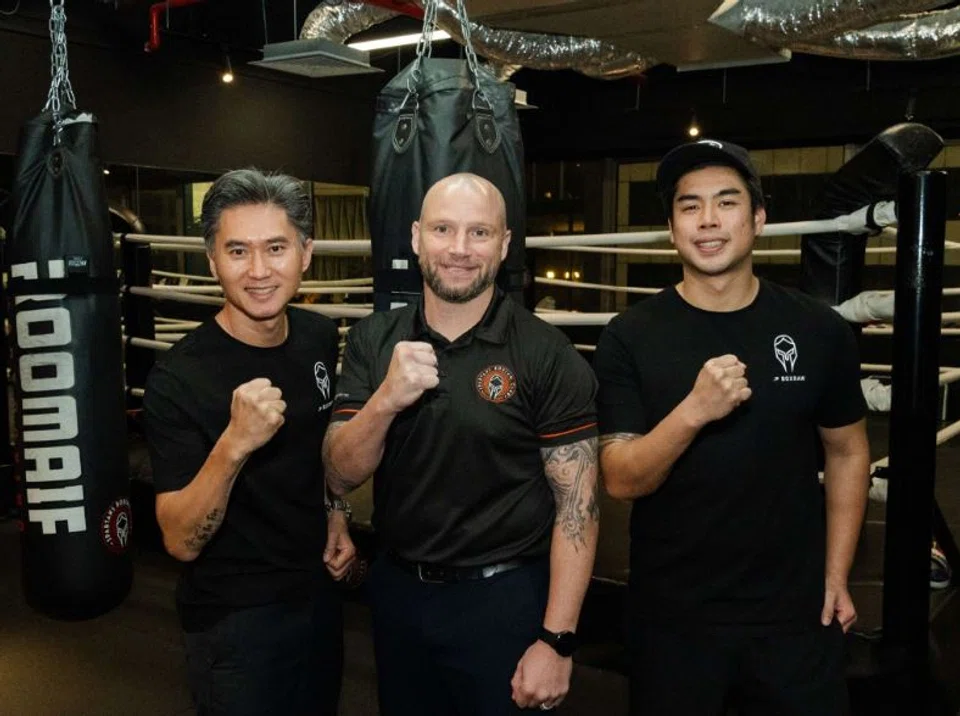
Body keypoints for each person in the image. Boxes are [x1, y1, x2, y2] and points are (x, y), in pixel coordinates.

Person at [593, 139, 870, 716]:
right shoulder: (630, 335)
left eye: (727, 202)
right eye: (689, 207)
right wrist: (693, 411)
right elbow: (620, 478)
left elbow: (847, 452)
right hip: (674, 619)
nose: (709, 220)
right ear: (671, 229)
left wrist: (837, 573)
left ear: (759, 220)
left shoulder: (818, 329)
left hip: (793, 615)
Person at [323, 173, 600, 715]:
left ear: (503, 245)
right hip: (399, 591)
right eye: (443, 229)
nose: (458, 249)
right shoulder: (373, 341)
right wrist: (385, 400)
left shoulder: (545, 352)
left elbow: (579, 507)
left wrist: (558, 639)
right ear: (415, 236)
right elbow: (340, 474)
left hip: (504, 598)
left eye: (479, 233)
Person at [143, 169, 355, 716]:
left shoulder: (316, 335)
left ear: (306, 253)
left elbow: (317, 448)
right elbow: (181, 541)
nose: (259, 271)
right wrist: (234, 444)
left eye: (276, 248)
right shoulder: (180, 377)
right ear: (212, 260)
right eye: (237, 251)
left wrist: (336, 514)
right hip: (235, 620)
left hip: (318, 598)